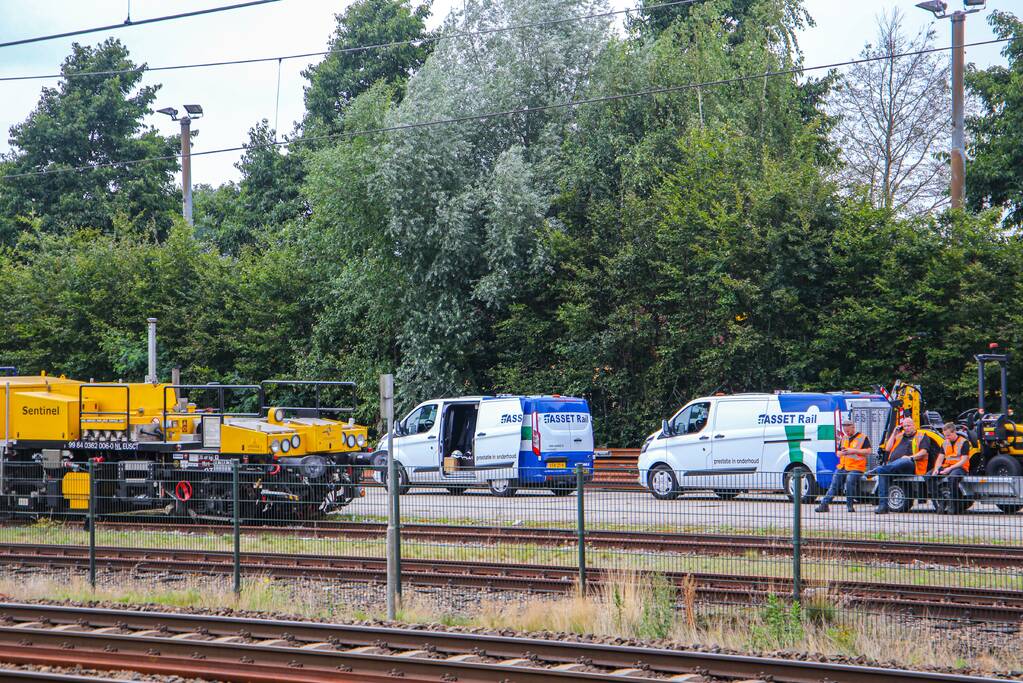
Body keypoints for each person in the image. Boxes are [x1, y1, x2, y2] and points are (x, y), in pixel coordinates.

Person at [868, 417, 933, 514]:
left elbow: (924, 452)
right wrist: (894, 433)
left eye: (908, 425)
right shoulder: (899, 436)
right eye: (905, 426)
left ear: (914, 425)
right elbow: (888, 448)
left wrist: (910, 457)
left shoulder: (921, 436)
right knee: (883, 474)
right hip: (893, 467)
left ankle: (878, 470)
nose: (906, 428)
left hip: (911, 464)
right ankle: (883, 506)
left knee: (902, 460)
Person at [815, 418, 871, 512]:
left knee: (850, 480)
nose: (847, 433)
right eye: (845, 431)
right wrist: (840, 453)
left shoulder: (862, 437)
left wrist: (854, 451)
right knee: (834, 484)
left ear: (853, 427)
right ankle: (824, 504)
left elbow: (868, 451)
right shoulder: (844, 438)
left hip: (857, 467)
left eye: (848, 430)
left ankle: (850, 505)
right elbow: (838, 452)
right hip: (843, 466)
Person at [930, 421, 970, 505]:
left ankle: (954, 504)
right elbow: (940, 459)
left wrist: (950, 469)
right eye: (945, 435)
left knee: (952, 478)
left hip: (960, 467)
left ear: (954, 432)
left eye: (948, 435)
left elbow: (963, 460)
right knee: (929, 476)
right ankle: (940, 500)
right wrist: (936, 469)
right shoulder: (945, 442)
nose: (946, 438)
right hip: (947, 466)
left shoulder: (964, 442)